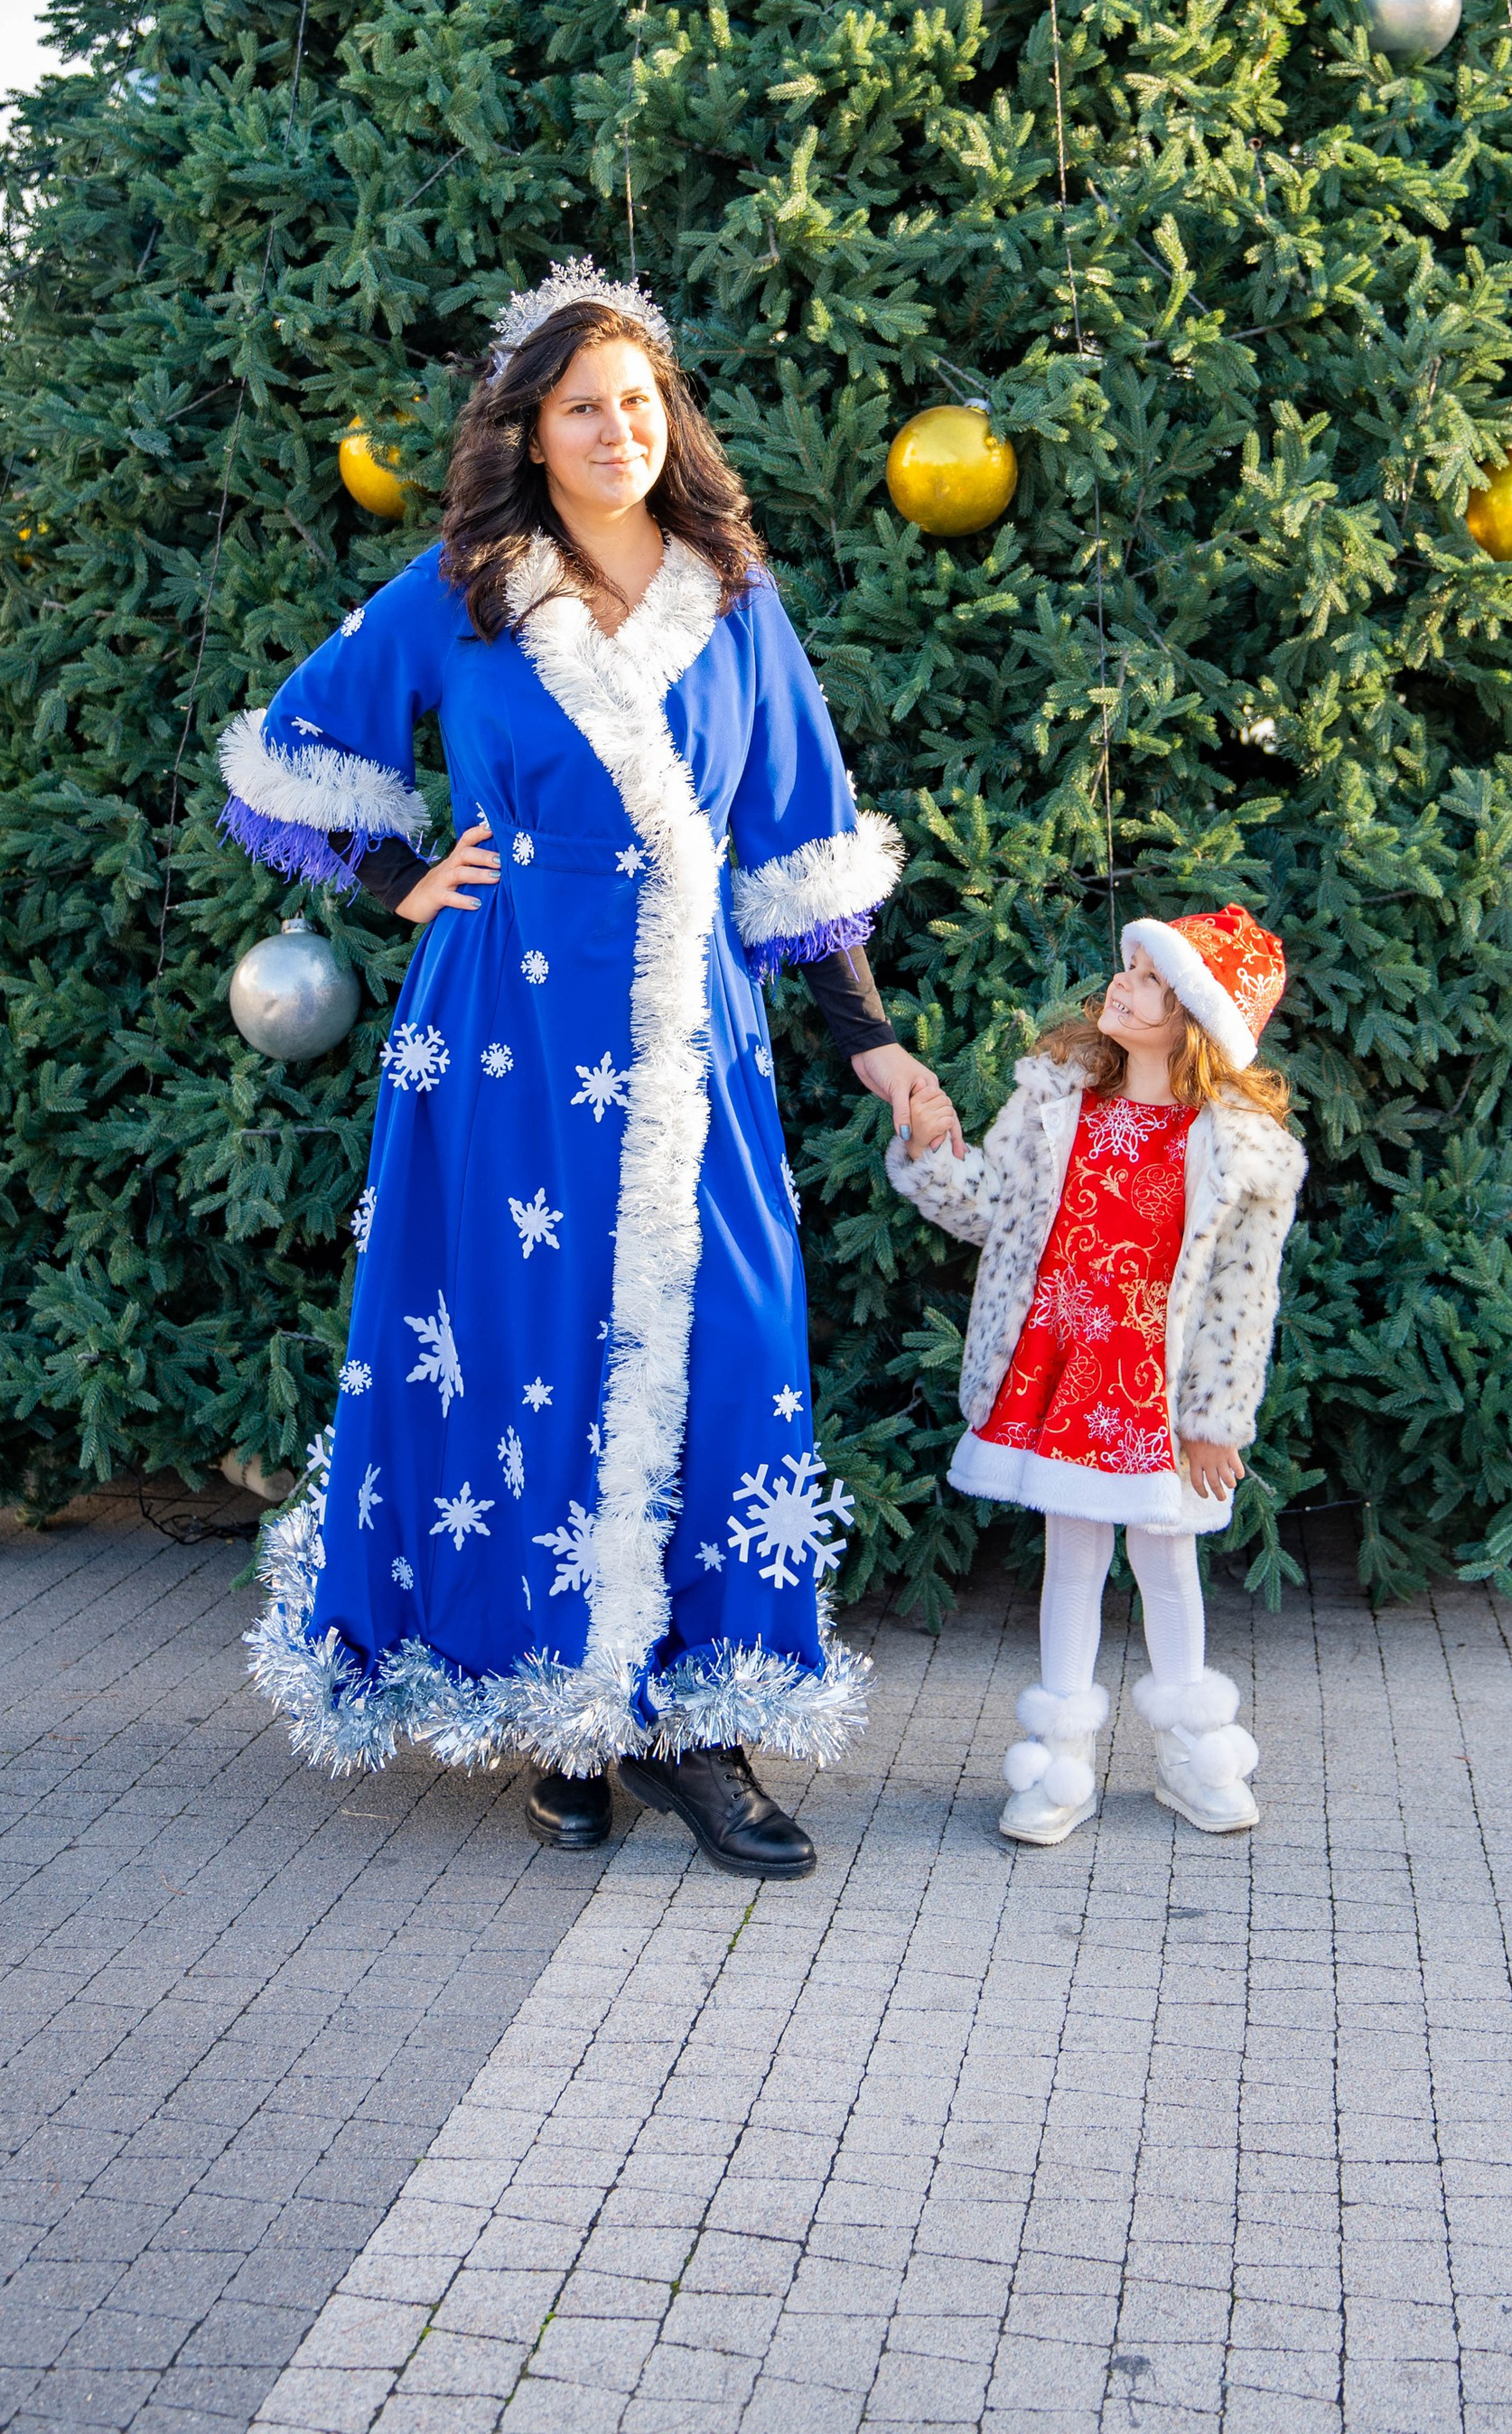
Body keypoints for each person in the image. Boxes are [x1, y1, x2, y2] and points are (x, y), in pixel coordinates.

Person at [217, 260, 945, 1879]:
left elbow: (802, 844)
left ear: (665, 416)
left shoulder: (737, 595)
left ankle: (698, 1727)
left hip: (692, 1039)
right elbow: (294, 742)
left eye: (638, 400)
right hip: (506, 1031)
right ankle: (562, 1722)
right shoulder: (465, 588)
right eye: (580, 406)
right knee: (517, 1340)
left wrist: (871, 1036)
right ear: (530, 432)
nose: (616, 428)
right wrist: (386, 878)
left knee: (731, 1332)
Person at [882, 907, 1302, 1842]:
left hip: (1152, 1392)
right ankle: (1058, 1768)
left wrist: (1215, 1420)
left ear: (1197, 1017)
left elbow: (1243, 1295)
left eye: (1152, 979)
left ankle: (1196, 1755)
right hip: (1059, 1368)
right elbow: (992, 1210)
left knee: (1165, 1556)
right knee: (1071, 1558)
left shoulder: (1239, 1148)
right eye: (1128, 967)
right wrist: (932, 1148)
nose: (1123, 982)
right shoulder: (1054, 1099)